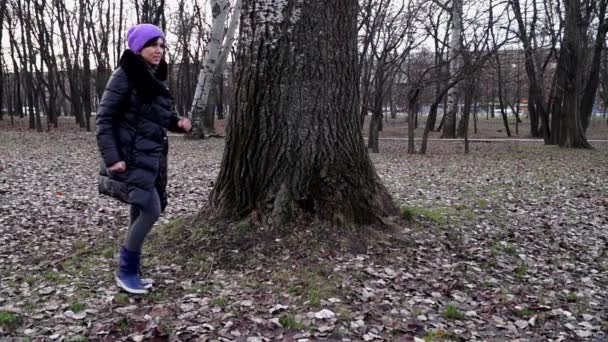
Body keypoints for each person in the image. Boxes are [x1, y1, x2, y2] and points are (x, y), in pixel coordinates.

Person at [96, 23, 191, 294]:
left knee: (140, 207)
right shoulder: (124, 75)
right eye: (152, 45)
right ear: (138, 47)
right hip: (129, 158)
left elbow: (156, 117)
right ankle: (125, 272)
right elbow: (104, 119)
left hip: (149, 157)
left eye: (161, 45)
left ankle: (131, 270)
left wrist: (177, 123)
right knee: (152, 208)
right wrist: (113, 159)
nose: (159, 51)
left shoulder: (153, 78)